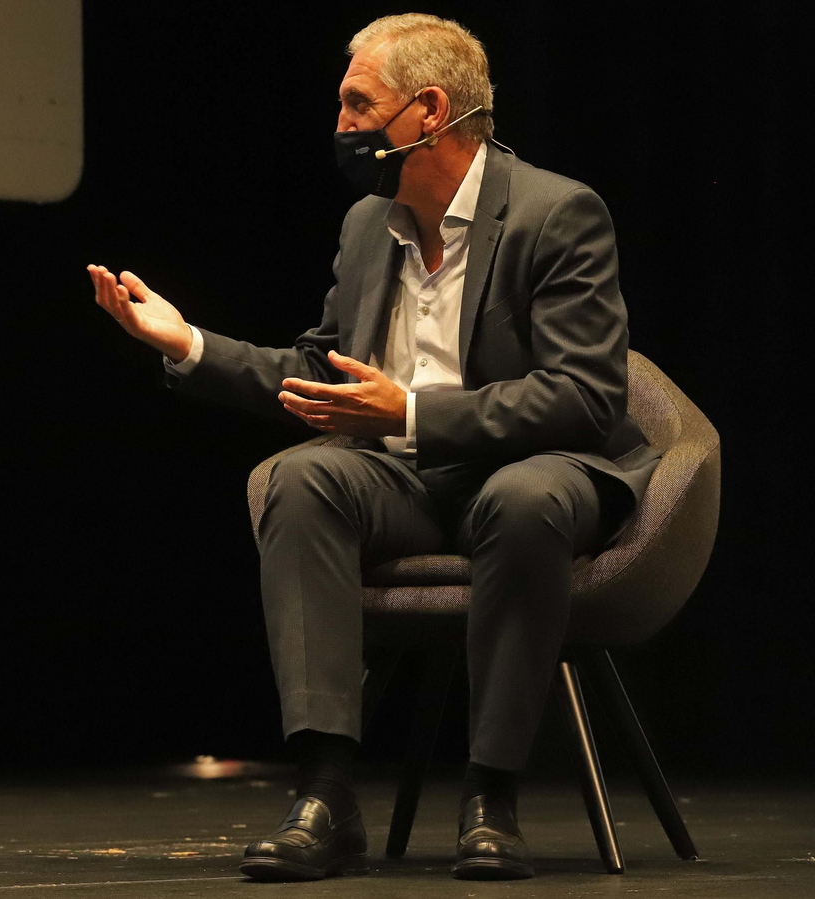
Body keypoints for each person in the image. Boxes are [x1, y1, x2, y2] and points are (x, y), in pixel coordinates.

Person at [88, 13, 659, 883]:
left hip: (535, 468)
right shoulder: (368, 225)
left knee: (523, 498)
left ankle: (491, 793)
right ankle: (325, 794)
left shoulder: (556, 212)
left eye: (360, 103)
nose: (343, 124)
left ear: (428, 112)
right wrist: (187, 343)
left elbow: (584, 396)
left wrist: (414, 412)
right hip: (408, 480)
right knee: (301, 477)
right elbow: (320, 370)